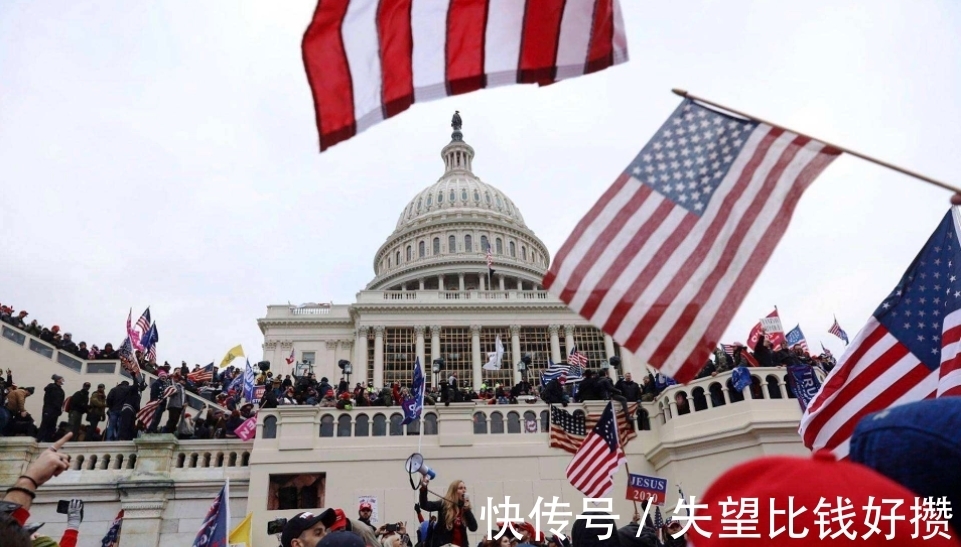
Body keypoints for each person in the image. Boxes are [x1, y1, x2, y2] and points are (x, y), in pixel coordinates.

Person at [418, 476, 477, 547]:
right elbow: (425, 505)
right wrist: (424, 489)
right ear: (454, 491)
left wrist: (467, 509)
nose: (464, 490)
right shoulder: (444, 504)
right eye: (460, 488)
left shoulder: (464, 509)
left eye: (465, 488)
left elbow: (473, 527)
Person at [38, 374, 65, 442]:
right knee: (45, 424)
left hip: (55, 411)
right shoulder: (52, 388)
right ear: (58, 380)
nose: (63, 380)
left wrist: (59, 410)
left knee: (52, 426)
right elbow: (52, 400)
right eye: (61, 379)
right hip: (49, 409)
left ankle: (48, 440)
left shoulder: (60, 390)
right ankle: (39, 439)